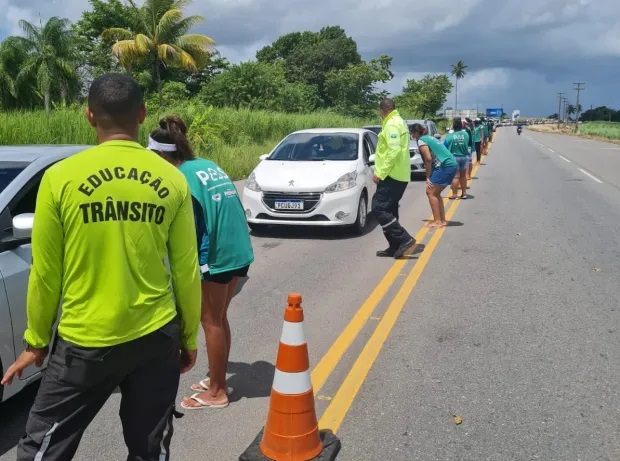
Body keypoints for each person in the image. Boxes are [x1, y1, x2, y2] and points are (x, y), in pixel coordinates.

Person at [1, 74, 202, 460]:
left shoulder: (59, 178)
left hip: (84, 342)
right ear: (142, 114)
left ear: (89, 115)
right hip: (155, 336)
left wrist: (36, 342)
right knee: (150, 446)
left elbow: (45, 273)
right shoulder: (172, 179)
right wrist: (189, 337)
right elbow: (186, 270)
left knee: (44, 447)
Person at [148, 116, 255, 410]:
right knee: (218, 319)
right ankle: (217, 379)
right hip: (238, 249)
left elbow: (196, 228)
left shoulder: (179, 177)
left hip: (217, 257)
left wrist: (198, 267)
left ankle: (218, 392)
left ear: (160, 154)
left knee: (210, 322)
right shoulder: (205, 165)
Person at [372, 98, 415, 259]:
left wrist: (381, 172)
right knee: (390, 210)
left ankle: (404, 238)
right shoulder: (400, 121)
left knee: (378, 208)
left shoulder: (391, 124)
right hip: (399, 174)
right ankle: (395, 246)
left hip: (392, 174)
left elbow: (394, 150)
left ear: (381, 111)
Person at [410, 123, 458, 228]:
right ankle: (442, 220)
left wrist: (427, 176)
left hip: (445, 165)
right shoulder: (429, 138)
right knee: (436, 193)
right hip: (450, 164)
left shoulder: (421, 140)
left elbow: (428, 159)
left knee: (430, 192)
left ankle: (437, 221)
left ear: (416, 133)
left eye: (411, 133)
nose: (411, 135)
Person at [444, 118, 470, 200]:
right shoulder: (466, 134)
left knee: (455, 177)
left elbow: (444, 147)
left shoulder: (449, 136)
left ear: (453, 126)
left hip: (454, 158)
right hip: (464, 157)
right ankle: (464, 193)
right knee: (463, 176)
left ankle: (455, 195)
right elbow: (468, 144)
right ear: (461, 126)